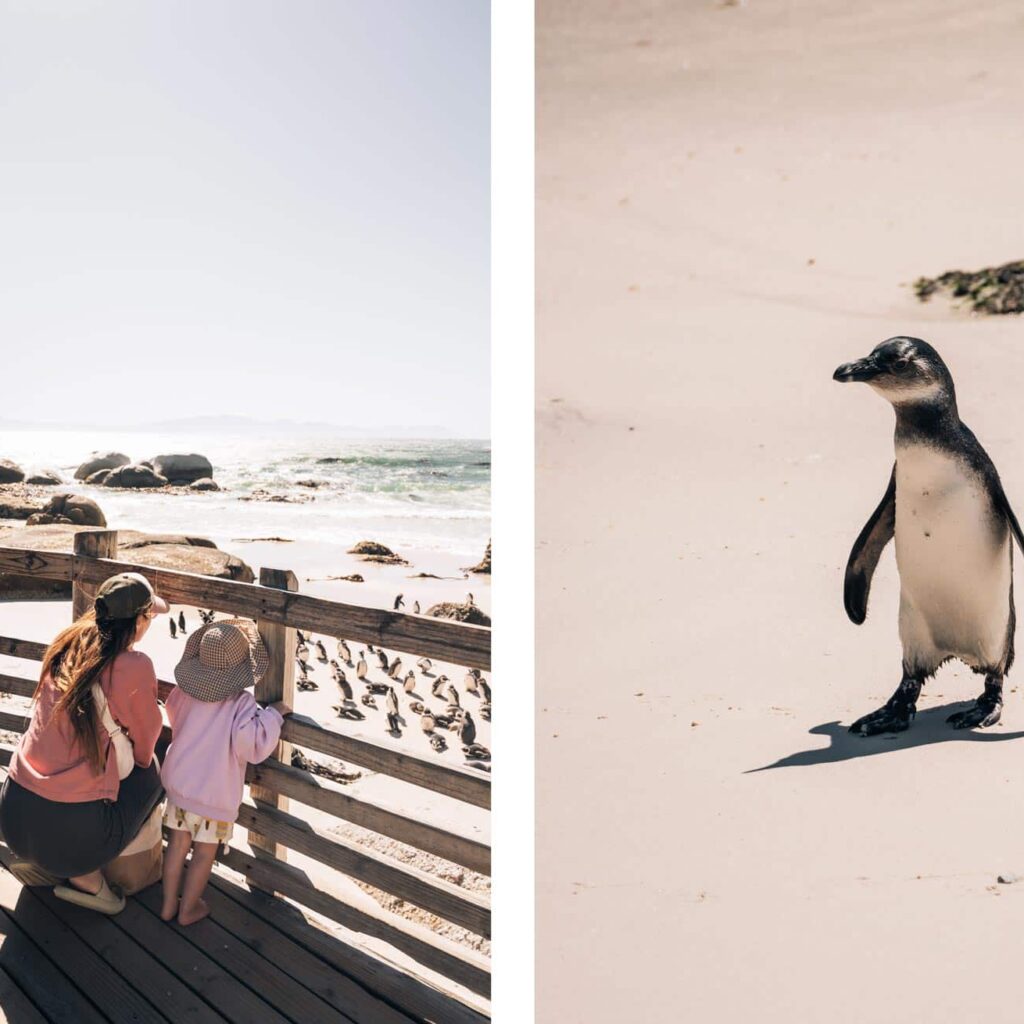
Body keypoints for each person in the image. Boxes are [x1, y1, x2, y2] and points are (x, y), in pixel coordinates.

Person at [0, 572, 167, 914]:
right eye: (150, 616)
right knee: (155, 771)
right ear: (138, 620)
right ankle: (93, 885)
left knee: (77, 780)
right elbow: (146, 746)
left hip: (13, 817)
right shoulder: (133, 665)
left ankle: (51, 863)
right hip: (74, 837)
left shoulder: (67, 643)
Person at [159, 618, 290, 925]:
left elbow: (173, 712)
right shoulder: (241, 702)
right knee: (204, 853)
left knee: (177, 845)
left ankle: (167, 905)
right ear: (241, 667)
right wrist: (273, 715)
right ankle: (189, 908)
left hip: (179, 785)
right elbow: (251, 746)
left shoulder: (184, 691)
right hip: (214, 797)